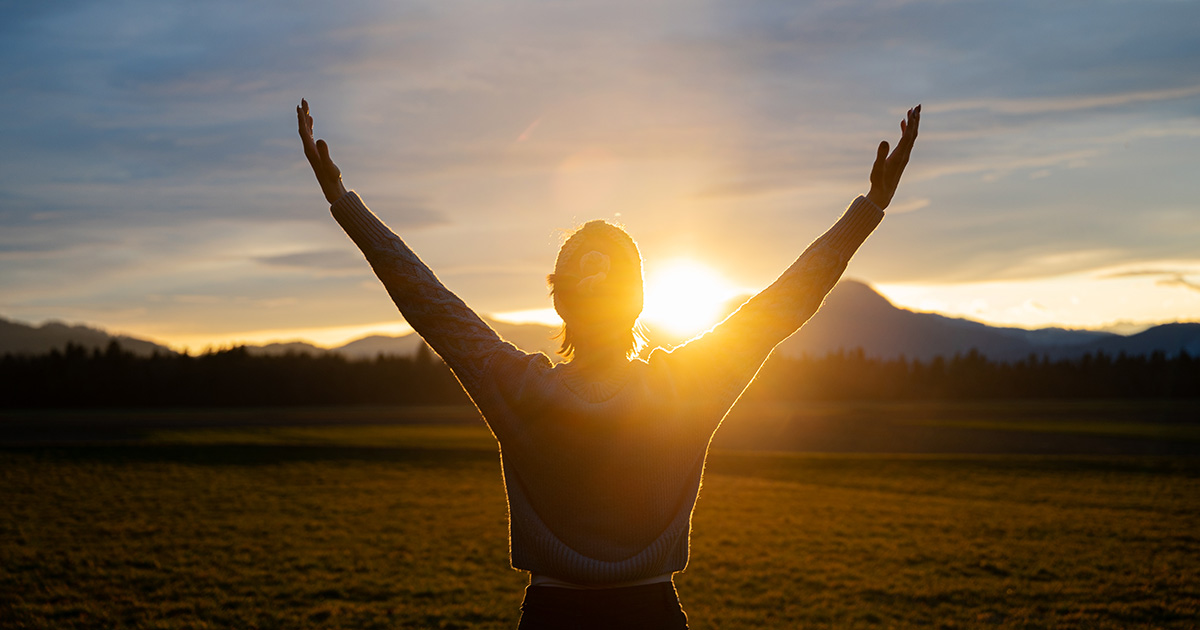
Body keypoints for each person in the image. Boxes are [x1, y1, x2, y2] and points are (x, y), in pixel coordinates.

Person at [297, 99, 919, 629]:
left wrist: (343, 203)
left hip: (550, 617)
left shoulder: (516, 387)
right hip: (654, 614)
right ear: (640, 300)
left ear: (559, 299)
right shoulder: (688, 385)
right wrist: (868, 208)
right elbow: (786, 301)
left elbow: (427, 300)